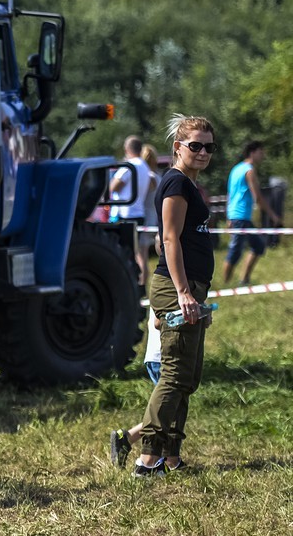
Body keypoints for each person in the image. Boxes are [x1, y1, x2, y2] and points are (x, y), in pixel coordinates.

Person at [134, 115, 216, 477]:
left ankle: (171, 456)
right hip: (177, 287)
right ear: (177, 148)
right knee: (174, 375)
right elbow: (169, 239)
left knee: (188, 376)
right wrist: (183, 292)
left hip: (191, 286)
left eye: (208, 147)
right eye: (195, 145)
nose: (202, 152)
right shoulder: (176, 184)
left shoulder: (187, 184)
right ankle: (147, 458)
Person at [108, 307, 163, 467]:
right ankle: (134, 443)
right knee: (168, 409)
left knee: (169, 408)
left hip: (158, 355)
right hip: (162, 356)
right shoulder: (171, 287)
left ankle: (129, 439)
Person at [222, 141, 281, 286]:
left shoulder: (236, 169)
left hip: (238, 216)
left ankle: (244, 280)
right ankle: (225, 285)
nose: (263, 155)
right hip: (241, 216)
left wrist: (228, 216)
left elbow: (230, 195)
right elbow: (258, 197)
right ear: (253, 152)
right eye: (261, 152)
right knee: (235, 252)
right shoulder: (249, 170)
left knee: (258, 246)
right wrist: (274, 216)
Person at [109, 136, 153, 286]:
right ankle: (141, 285)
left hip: (125, 213)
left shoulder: (129, 165)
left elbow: (113, 186)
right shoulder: (144, 166)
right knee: (139, 253)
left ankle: (134, 284)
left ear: (127, 149)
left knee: (128, 253)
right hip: (138, 212)